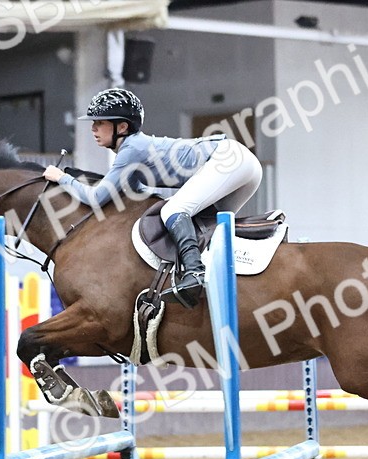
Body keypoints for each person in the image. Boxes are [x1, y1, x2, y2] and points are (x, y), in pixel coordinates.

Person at [43, 87, 263, 307]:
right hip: (243, 164)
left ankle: (195, 274)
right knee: (206, 227)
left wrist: (63, 178)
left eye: (99, 122)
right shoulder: (133, 149)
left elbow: (95, 199)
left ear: (122, 126)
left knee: (173, 211)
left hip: (229, 160)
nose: (93, 128)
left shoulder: (131, 149)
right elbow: (136, 193)